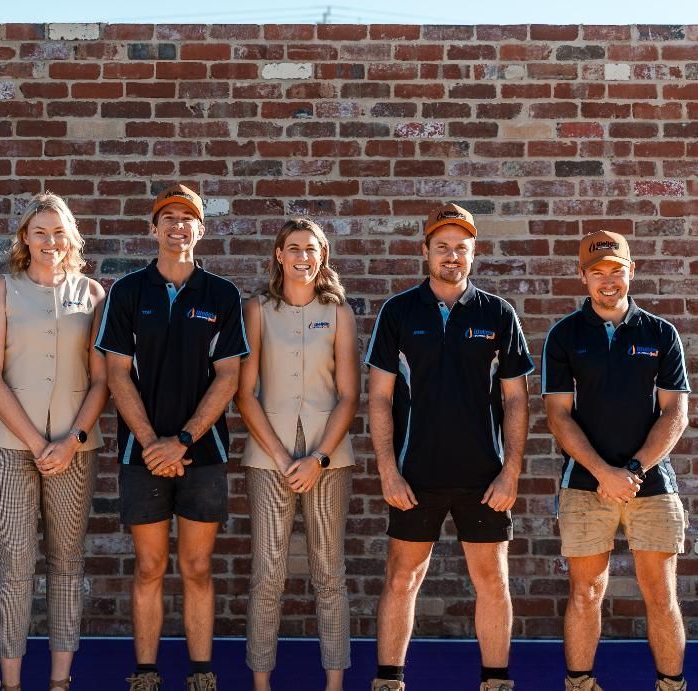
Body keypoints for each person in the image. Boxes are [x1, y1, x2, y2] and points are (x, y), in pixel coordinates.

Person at [366, 203, 533, 691]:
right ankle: (389, 681)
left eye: (461, 248)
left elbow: (517, 399)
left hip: (485, 477)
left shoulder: (498, 313)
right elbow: (378, 397)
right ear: (425, 252)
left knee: (493, 582)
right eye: (442, 247)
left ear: (474, 253)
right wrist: (387, 471)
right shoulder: (398, 312)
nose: (451, 256)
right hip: (415, 475)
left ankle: (496, 681)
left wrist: (512, 472)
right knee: (402, 580)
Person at [95, 184, 249, 691]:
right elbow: (117, 374)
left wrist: (180, 440)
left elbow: (228, 376)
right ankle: (145, 673)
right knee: (149, 565)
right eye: (168, 218)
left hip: (202, 454)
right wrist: (150, 443)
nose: (178, 226)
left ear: (200, 230)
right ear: (153, 228)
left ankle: (201, 672)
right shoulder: (127, 292)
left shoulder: (222, 295)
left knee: (198, 566)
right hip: (141, 456)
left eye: (187, 218)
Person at [542, 231, 690, 691]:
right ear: (582, 276)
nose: (608, 281)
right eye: (598, 272)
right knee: (586, 593)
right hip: (585, 485)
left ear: (631, 271)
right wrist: (605, 473)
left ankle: (671, 686)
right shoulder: (565, 335)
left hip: (652, 483)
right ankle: (581, 685)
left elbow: (675, 413)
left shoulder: (660, 333)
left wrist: (634, 471)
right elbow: (558, 416)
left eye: (617, 270)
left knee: (661, 596)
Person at [0, 193, 108, 691]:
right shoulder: (1, 291)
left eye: (59, 232)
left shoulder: (93, 294)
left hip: (76, 448)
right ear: (24, 238)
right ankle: (11, 682)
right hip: (9, 446)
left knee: (67, 563)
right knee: (15, 563)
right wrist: (35, 441)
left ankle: (59, 681)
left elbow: (101, 380)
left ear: (71, 238)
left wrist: (70, 439)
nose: (49, 241)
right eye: (39, 232)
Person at [235, 218, 358, 691]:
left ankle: (334, 683)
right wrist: (284, 458)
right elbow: (245, 395)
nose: (302, 257)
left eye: (312, 248)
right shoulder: (259, 310)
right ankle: (261, 683)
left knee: (329, 572)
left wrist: (319, 458)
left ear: (322, 257)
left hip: (330, 460)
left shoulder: (339, 313)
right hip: (269, 460)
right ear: (279, 256)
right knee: (268, 574)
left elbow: (349, 395)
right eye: (294, 248)